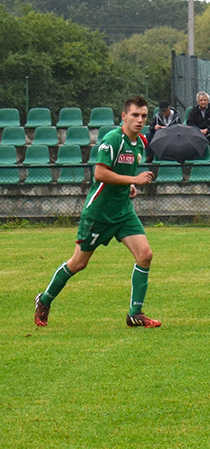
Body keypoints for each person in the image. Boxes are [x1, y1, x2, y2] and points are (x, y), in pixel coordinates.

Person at [34, 95, 161, 328]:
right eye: (135, 115)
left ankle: (135, 314)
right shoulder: (113, 139)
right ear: (123, 116)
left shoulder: (139, 142)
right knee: (78, 263)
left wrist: (129, 185)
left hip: (123, 211)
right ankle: (44, 299)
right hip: (99, 213)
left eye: (144, 115)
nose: (140, 119)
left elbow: (118, 173)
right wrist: (134, 179)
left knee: (145, 255)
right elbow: (100, 174)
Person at [186, 91, 210, 161]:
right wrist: (198, 130)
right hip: (198, 133)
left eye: (205, 100)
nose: (203, 102)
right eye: (201, 100)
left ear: (208, 101)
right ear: (197, 102)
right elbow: (190, 123)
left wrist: (207, 129)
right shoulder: (194, 111)